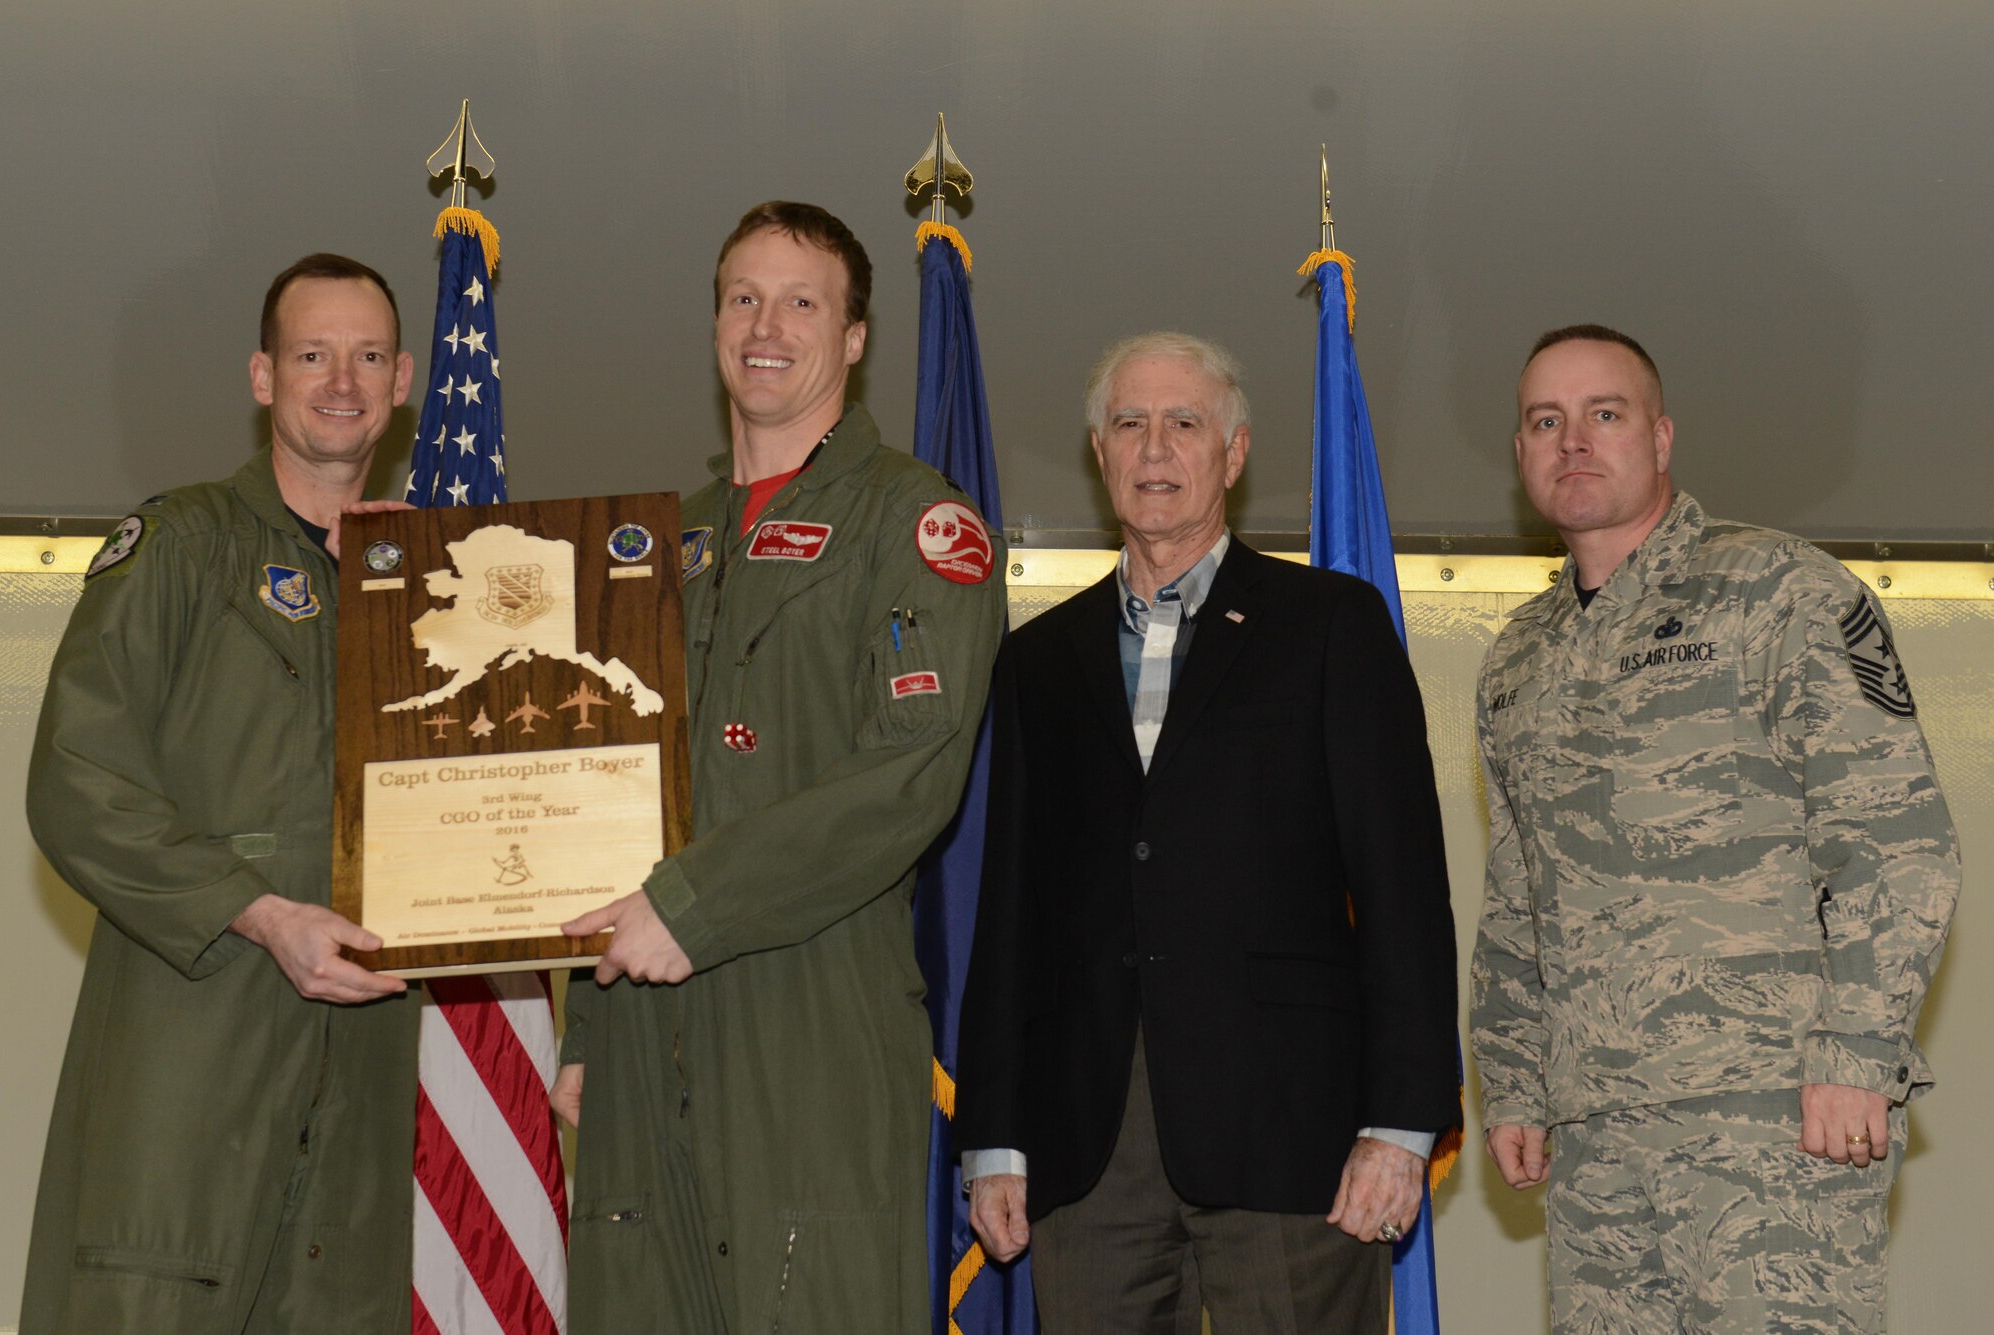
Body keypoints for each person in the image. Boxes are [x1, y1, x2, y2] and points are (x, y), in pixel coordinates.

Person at [552, 201, 1006, 1333]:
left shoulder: (914, 522)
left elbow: (909, 773)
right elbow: (604, 786)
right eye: (742, 297)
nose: (767, 324)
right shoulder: (653, 542)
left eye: (802, 301)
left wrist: (688, 906)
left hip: (812, 1019)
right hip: (640, 1030)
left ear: (853, 339)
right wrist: (585, 1030)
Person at [954, 331, 1460, 1332]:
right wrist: (995, 1138)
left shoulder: (1329, 625)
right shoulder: (1034, 662)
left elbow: (1402, 888)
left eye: (1182, 423)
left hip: (1291, 1133)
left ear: (1232, 454)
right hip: (1085, 1141)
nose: (1154, 448)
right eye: (1128, 425)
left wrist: (1401, 1123)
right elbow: (1005, 911)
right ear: (1097, 455)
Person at [1471, 325, 1960, 1334]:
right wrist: (1514, 1079)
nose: (1572, 441)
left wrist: (1853, 1054)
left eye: (1601, 415)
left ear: (1657, 438)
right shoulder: (1519, 657)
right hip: (1596, 1133)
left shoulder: (1775, 591)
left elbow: (1892, 835)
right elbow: (1519, 891)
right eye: (1543, 422)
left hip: (1772, 1113)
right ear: (1518, 454)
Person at [21, 254, 422, 1334]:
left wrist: (415, 586)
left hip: (360, 1091)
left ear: (402, 380)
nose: (341, 380)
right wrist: (257, 911)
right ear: (261, 376)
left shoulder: (434, 586)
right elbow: (77, 780)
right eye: (311, 354)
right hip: (193, 1058)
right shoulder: (180, 547)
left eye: (368, 355)